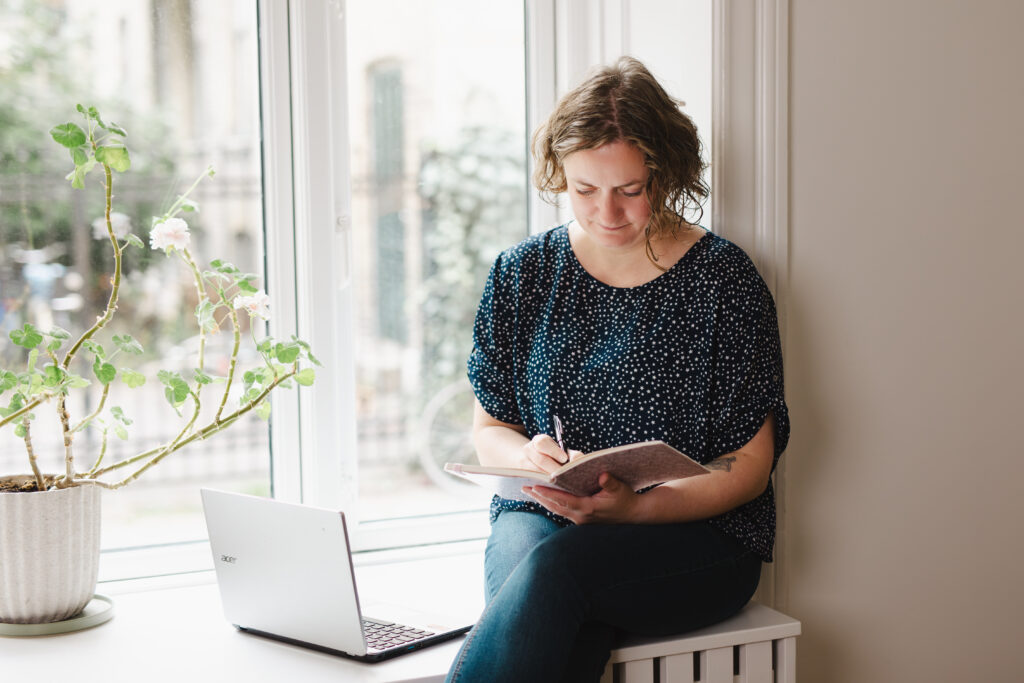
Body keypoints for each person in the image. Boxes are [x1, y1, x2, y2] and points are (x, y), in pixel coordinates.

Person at [445, 56, 790, 683]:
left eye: (629, 191)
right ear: (559, 176)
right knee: (564, 607)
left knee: (555, 573)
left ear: (668, 174)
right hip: (541, 517)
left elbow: (750, 467)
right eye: (583, 190)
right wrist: (530, 460)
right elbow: (490, 426)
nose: (607, 212)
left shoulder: (724, 282)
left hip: (694, 538)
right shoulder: (521, 273)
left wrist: (635, 512)